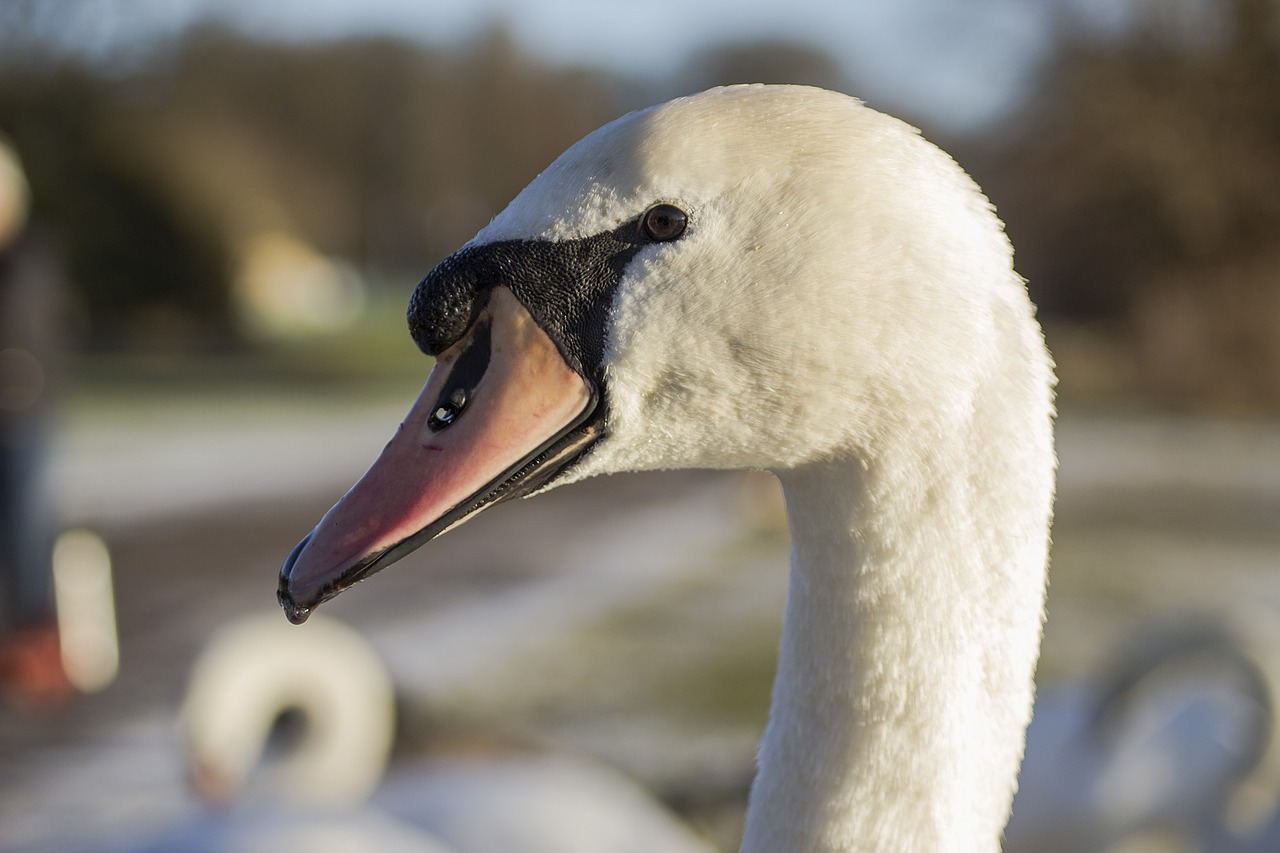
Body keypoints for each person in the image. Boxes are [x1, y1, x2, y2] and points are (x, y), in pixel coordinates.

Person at [0, 136, 73, 708]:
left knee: (28, 531)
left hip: (23, 413)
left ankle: (43, 647)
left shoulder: (27, 259)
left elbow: (25, 330)